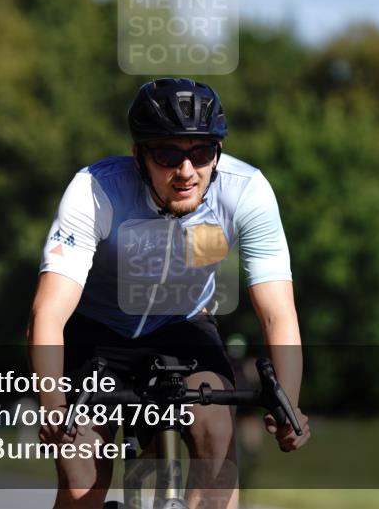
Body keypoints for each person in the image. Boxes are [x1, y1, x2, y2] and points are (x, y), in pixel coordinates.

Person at [27, 78, 310, 509]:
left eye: (202, 153)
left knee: (217, 441)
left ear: (217, 152)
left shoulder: (246, 192)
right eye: (168, 155)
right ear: (138, 155)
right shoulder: (96, 191)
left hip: (183, 325)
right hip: (98, 331)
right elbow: (48, 313)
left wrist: (288, 402)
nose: (186, 171)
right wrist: (52, 407)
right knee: (82, 478)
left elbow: (278, 314)